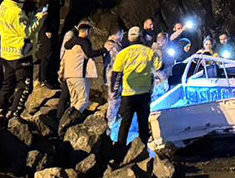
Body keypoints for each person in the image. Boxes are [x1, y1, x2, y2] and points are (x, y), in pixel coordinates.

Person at [111, 27, 162, 161]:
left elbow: (116, 73)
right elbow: (158, 66)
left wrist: (114, 90)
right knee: (143, 122)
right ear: (142, 37)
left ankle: (119, 150)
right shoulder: (149, 52)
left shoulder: (123, 53)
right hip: (145, 93)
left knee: (125, 122)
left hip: (128, 93)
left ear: (129, 38)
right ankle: (143, 148)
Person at [0, 0, 32, 117]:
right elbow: (26, 31)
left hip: (6, 52)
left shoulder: (2, 8)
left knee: (7, 85)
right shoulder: (16, 12)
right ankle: (14, 114)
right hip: (19, 53)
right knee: (25, 85)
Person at [60, 22, 107, 114]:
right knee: (83, 101)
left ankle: (65, 121)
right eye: (90, 32)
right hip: (79, 75)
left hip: (68, 76)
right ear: (86, 31)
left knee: (74, 101)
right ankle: (70, 120)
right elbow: (90, 54)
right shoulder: (84, 42)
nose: (90, 35)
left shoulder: (69, 43)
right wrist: (104, 49)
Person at [33, 0, 65, 87]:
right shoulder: (48, 0)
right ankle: (43, 79)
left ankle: (48, 77)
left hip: (53, 30)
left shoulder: (56, 1)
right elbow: (42, 14)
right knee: (46, 54)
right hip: (47, 31)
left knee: (51, 54)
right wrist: (46, 29)